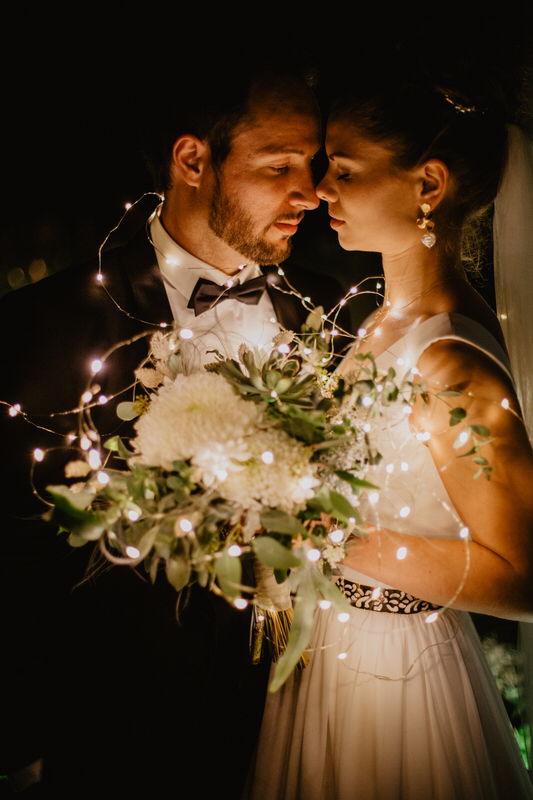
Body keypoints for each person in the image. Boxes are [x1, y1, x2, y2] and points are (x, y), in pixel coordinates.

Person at [0, 55, 347, 799]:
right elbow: (16, 550)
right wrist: (21, 745)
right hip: (126, 741)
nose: (310, 192)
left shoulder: (333, 314)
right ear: (192, 160)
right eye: (279, 163)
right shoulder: (58, 324)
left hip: (315, 724)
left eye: (313, 164)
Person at [245, 69, 533, 799]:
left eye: (344, 171)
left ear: (426, 185)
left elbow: (523, 575)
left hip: (399, 679)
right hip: (332, 662)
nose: (322, 191)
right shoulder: (383, 320)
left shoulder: (449, 361)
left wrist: (332, 539)